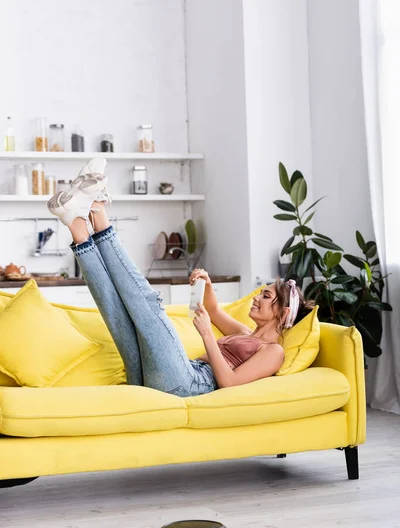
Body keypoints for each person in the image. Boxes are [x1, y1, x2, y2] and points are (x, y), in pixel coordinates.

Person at [47, 159, 314, 398]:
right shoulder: (246, 333)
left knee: (149, 305)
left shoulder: (274, 352)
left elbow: (230, 383)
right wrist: (207, 285)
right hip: (165, 378)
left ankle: (96, 207)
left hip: (189, 383)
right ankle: (77, 225)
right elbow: (213, 309)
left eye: (266, 296)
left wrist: (208, 334)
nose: (256, 297)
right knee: (119, 315)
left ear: (284, 311)